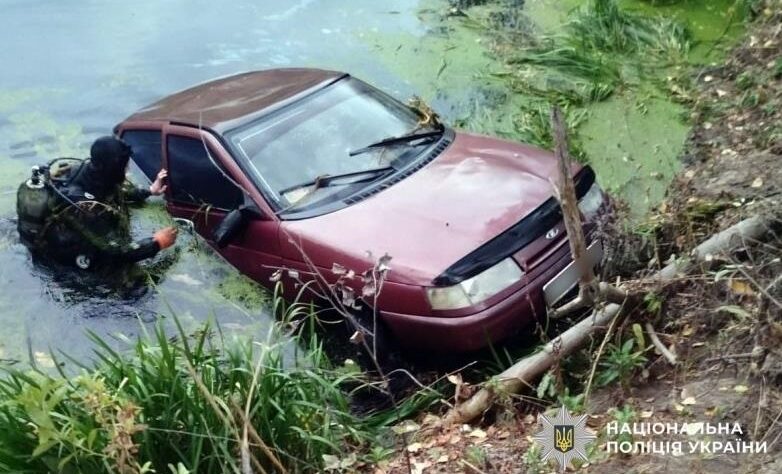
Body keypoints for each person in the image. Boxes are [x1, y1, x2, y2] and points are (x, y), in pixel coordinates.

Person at [16, 135, 178, 270]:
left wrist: (149, 190)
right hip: (67, 257)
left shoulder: (90, 170)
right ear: (113, 169)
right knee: (135, 291)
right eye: (124, 166)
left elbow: (114, 189)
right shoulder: (85, 209)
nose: (128, 170)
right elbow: (117, 251)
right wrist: (156, 243)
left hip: (77, 227)